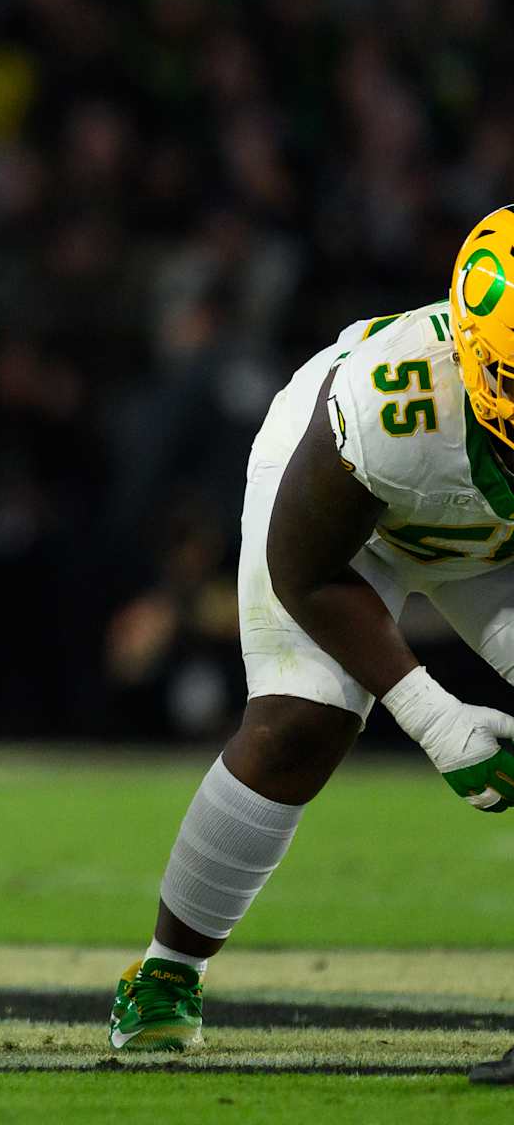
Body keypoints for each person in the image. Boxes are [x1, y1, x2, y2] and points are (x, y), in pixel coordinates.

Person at [109, 207, 514, 1052]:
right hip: (349, 520)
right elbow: (308, 571)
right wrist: (437, 722)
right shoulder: (388, 406)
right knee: (304, 718)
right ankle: (167, 971)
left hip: (491, 538)